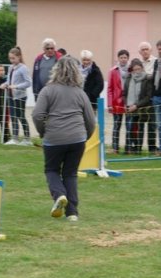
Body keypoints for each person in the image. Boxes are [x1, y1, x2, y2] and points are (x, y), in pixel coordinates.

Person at [32, 57, 96, 222]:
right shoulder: (80, 93)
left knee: (52, 170)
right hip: (77, 138)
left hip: (54, 138)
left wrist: (43, 132)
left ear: (56, 70)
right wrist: (84, 137)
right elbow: (91, 120)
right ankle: (72, 212)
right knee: (70, 173)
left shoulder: (48, 90)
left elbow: (37, 115)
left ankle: (59, 195)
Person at [1, 47, 32, 146]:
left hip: (20, 97)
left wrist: (16, 86)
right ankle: (15, 138)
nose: (12, 60)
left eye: (13, 58)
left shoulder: (23, 68)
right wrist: (5, 84)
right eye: (10, 58)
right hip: (11, 96)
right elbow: (9, 80)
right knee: (13, 117)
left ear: (19, 57)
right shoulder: (11, 67)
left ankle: (27, 139)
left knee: (21, 116)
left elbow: (28, 83)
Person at [123, 58, 153, 154]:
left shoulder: (147, 79)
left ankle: (139, 149)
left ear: (142, 68)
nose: (137, 71)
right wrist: (126, 104)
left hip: (141, 108)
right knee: (130, 128)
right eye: (135, 69)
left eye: (139, 69)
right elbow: (124, 94)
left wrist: (136, 105)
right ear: (132, 69)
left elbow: (148, 96)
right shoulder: (128, 79)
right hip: (129, 108)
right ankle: (132, 147)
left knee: (140, 128)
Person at [138, 42, 157, 153]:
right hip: (140, 98)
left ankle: (152, 148)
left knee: (152, 125)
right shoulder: (138, 63)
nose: (145, 51)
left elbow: (153, 77)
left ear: (150, 50)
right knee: (140, 124)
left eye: (147, 49)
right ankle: (138, 148)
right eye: (143, 49)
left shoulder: (155, 61)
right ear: (140, 52)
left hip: (151, 97)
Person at [107, 51, 127, 154]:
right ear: (118, 58)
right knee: (116, 125)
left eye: (125, 57)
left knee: (129, 125)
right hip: (117, 101)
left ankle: (129, 148)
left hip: (128, 101)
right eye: (121, 57)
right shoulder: (113, 71)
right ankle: (115, 148)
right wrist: (110, 104)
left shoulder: (131, 70)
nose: (123, 59)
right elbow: (110, 88)